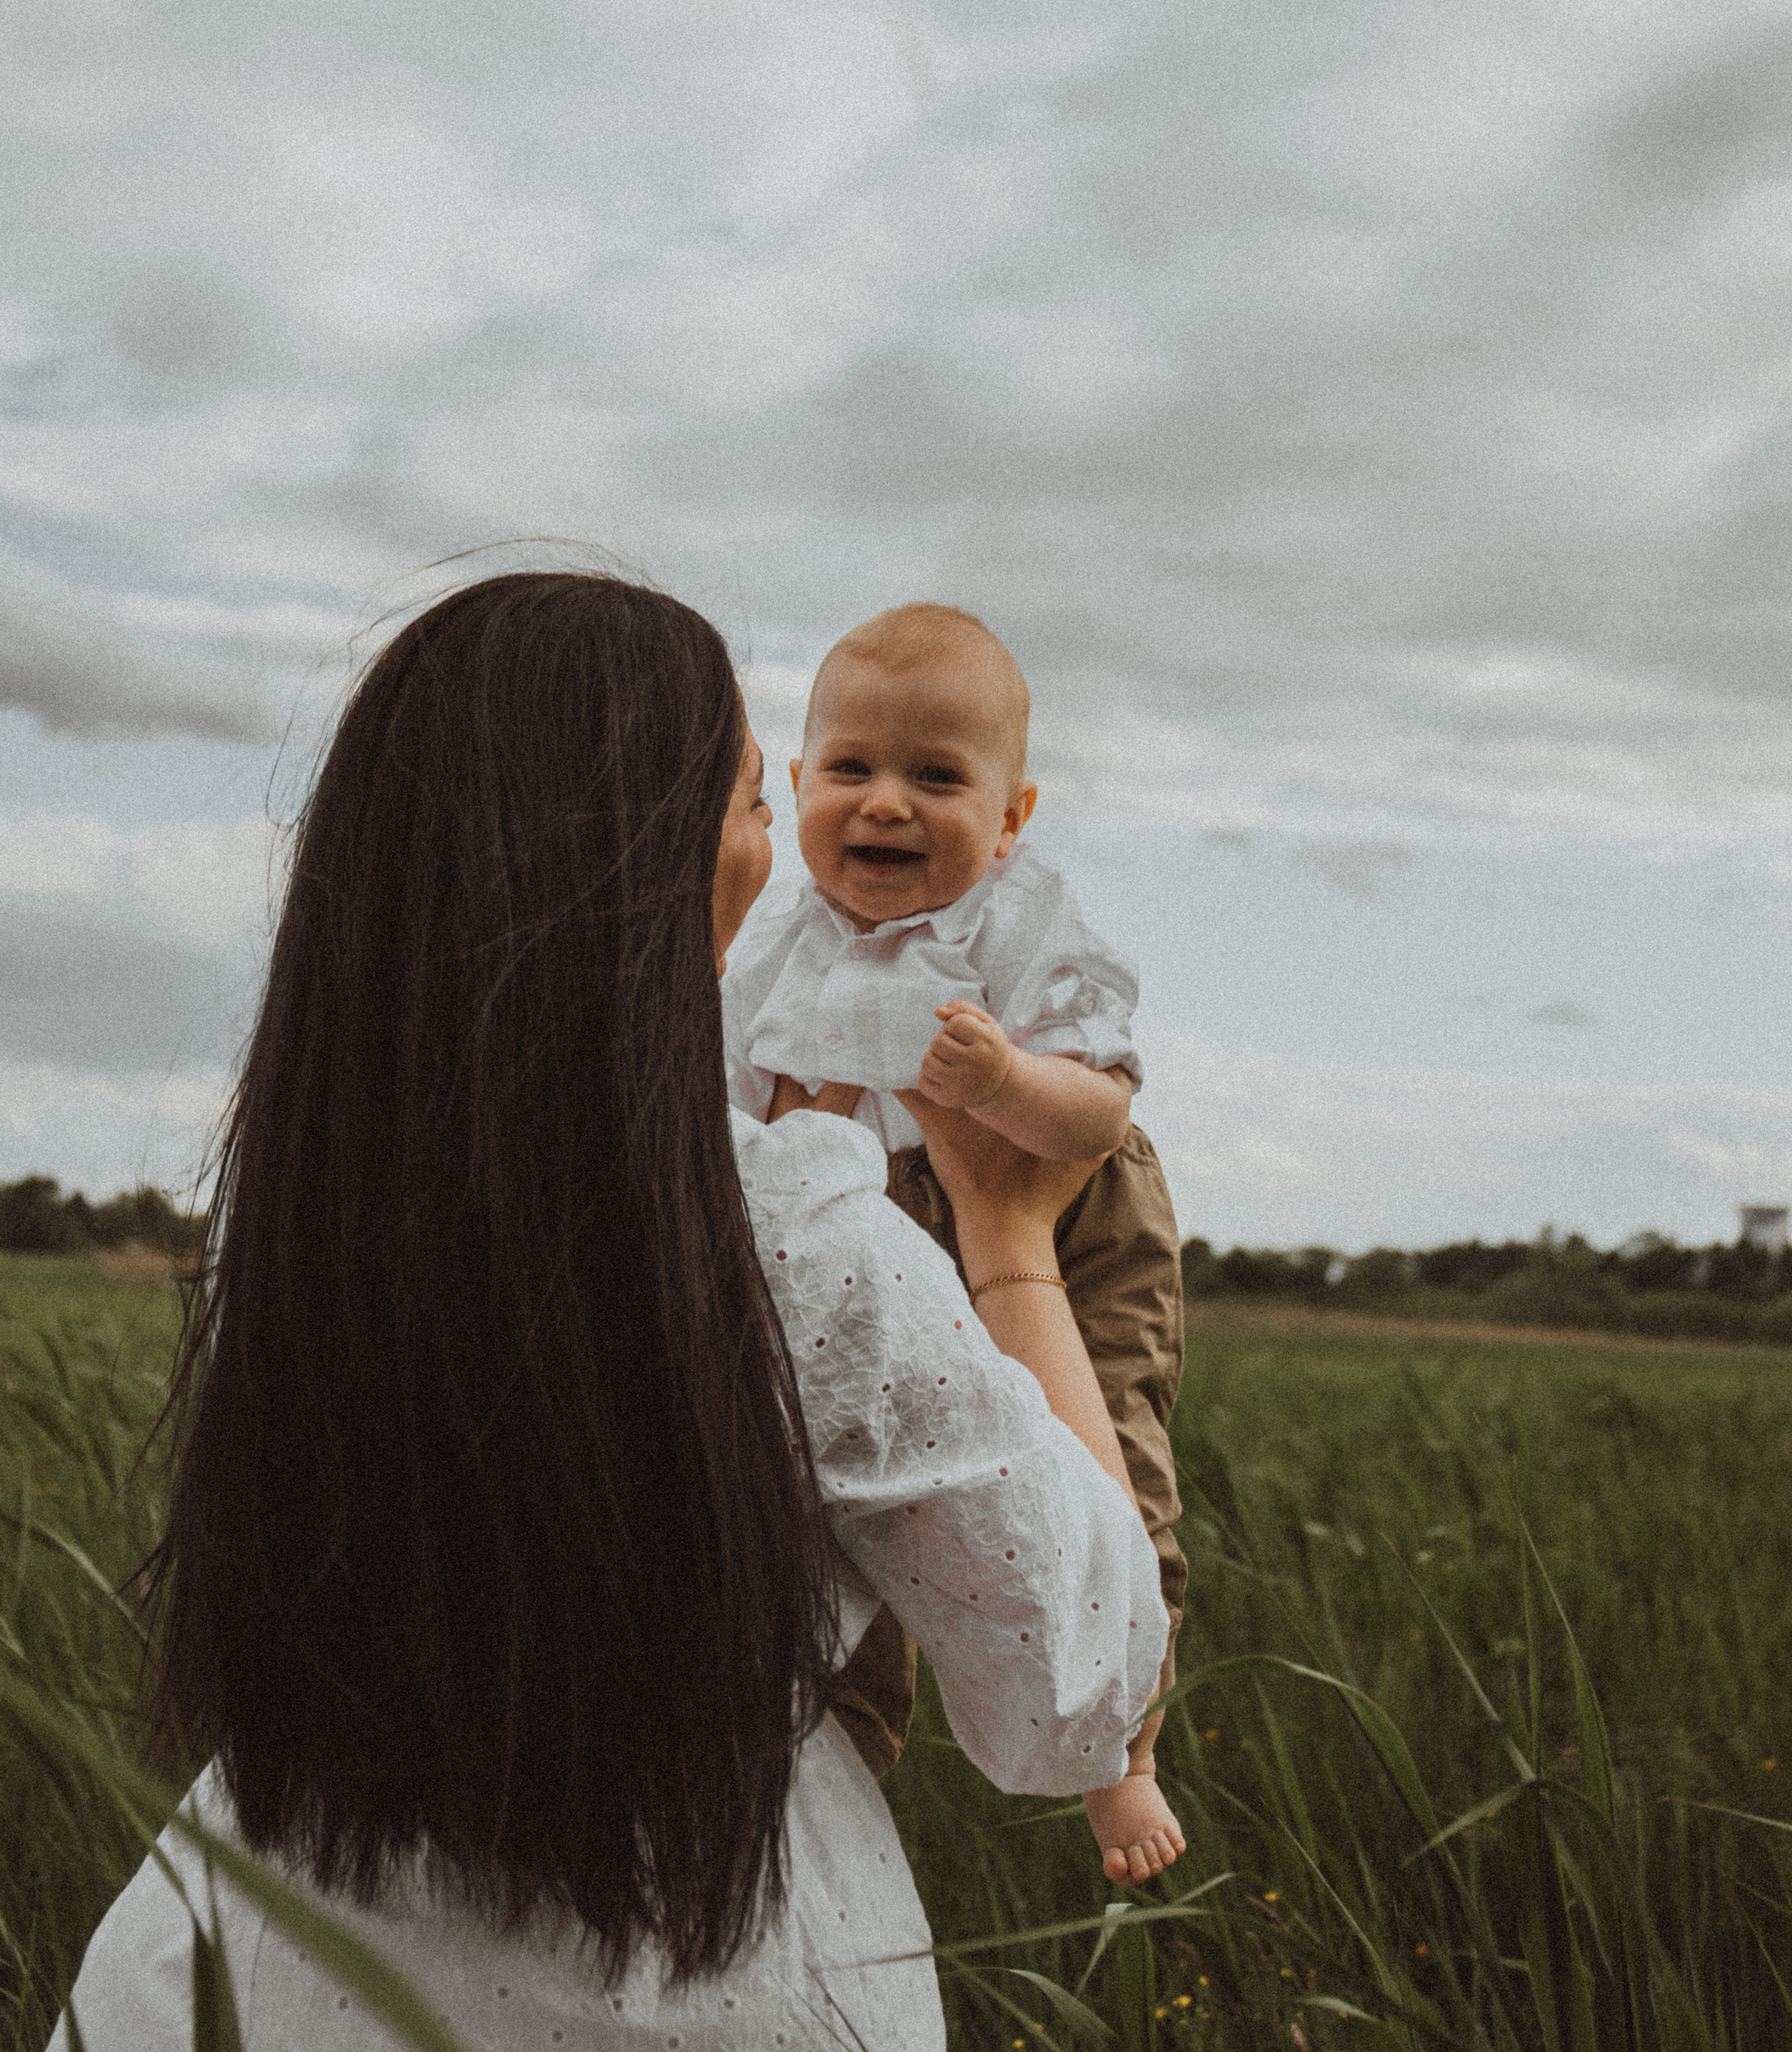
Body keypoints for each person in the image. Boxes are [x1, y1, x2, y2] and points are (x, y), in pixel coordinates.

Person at [51, 573, 1164, 2051]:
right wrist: (1012, 1245)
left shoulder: (301, 1200)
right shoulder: (783, 1234)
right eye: (753, 799)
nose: (782, 844)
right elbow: (1080, 1680)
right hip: (708, 1978)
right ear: (668, 857)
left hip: (238, 1964)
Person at [723, 602, 1186, 1882]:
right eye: (850, 771)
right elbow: (726, 1099)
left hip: (1061, 1205)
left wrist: (1004, 1087)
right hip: (880, 1202)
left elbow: (1098, 1110)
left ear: (1013, 817)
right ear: (800, 782)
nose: (886, 806)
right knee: (843, 1479)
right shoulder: (774, 950)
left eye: (938, 777)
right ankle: (845, 1739)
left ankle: (1123, 1753)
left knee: (1105, 1448)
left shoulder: (1021, 922)